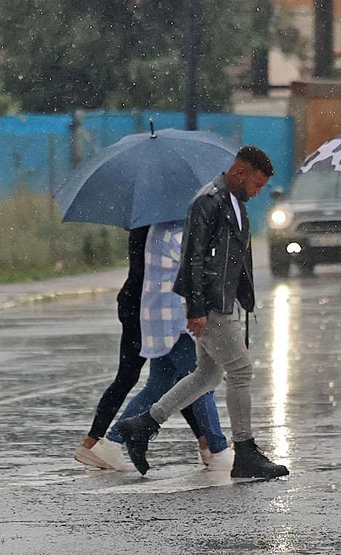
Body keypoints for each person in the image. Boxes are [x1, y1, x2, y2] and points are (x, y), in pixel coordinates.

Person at [114, 146, 287, 480]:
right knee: (240, 371)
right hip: (209, 305)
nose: (258, 192)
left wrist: (244, 297)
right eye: (256, 184)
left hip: (223, 301)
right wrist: (196, 308)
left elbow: (234, 257)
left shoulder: (236, 203)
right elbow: (191, 257)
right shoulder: (208, 201)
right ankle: (245, 451)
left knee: (207, 375)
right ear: (240, 173)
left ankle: (143, 424)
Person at [74, 222, 226, 470]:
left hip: (150, 308)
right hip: (159, 311)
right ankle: (215, 448)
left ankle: (108, 443)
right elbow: (192, 268)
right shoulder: (168, 231)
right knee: (193, 380)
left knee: (163, 383)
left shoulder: (154, 226)